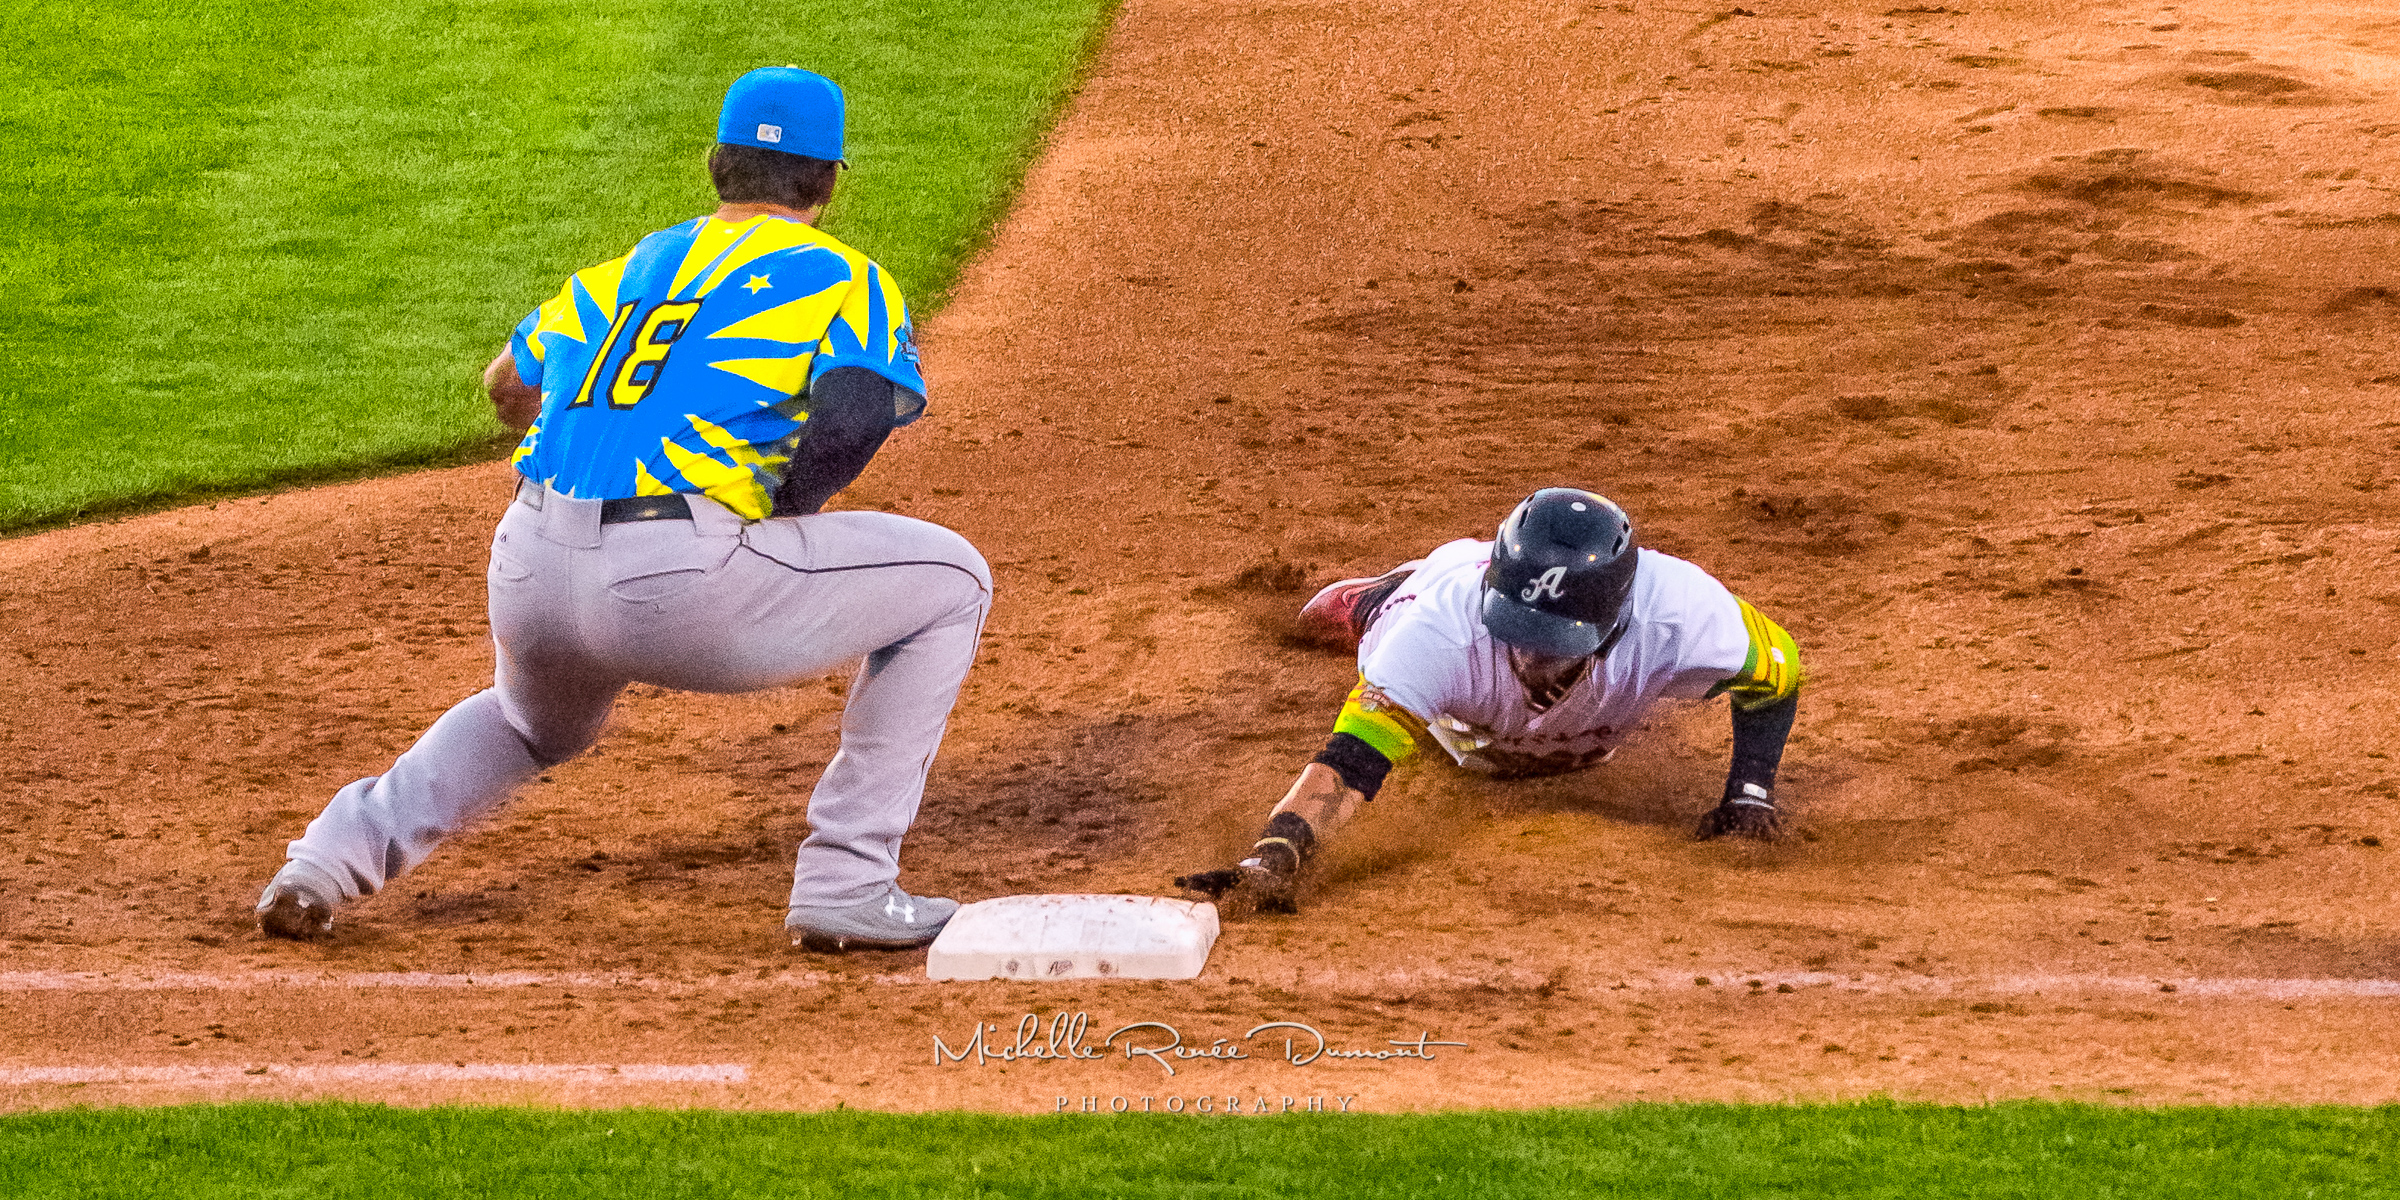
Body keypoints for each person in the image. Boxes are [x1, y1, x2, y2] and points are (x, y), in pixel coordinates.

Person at [255, 67, 992, 951]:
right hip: (679, 587)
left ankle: (320, 865)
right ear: (829, 181)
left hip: (530, 565)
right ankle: (849, 880)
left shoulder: (625, 269)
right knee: (954, 580)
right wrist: (783, 506)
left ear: (716, 164)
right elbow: (855, 413)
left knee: (529, 722)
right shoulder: (841, 277)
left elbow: (505, 386)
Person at [1177, 487, 1802, 912]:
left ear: (1617, 613)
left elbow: (1779, 674)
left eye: (1554, 641)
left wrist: (1749, 793)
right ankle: (1379, 593)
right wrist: (1275, 856)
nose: (1531, 655)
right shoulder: (1436, 634)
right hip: (1432, 623)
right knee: (1350, 624)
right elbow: (1346, 767)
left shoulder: (1683, 615)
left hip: (1563, 724)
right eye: (1519, 630)